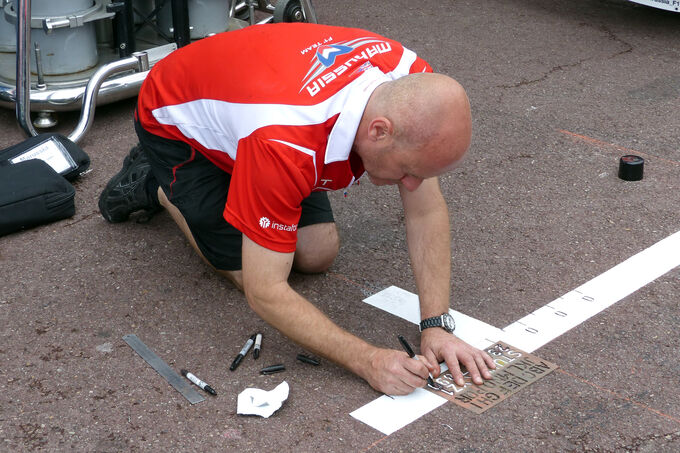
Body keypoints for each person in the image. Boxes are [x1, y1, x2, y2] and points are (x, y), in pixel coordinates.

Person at [99, 22, 495, 395]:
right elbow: (265, 292)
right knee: (251, 272)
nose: (412, 185)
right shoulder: (285, 143)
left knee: (316, 253)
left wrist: (437, 326)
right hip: (175, 116)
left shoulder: (413, 81)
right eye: (409, 172)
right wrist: (368, 361)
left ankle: (242, 178)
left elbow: (425, 211)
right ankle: (157, 185)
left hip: (262, 108)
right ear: (379, 131)